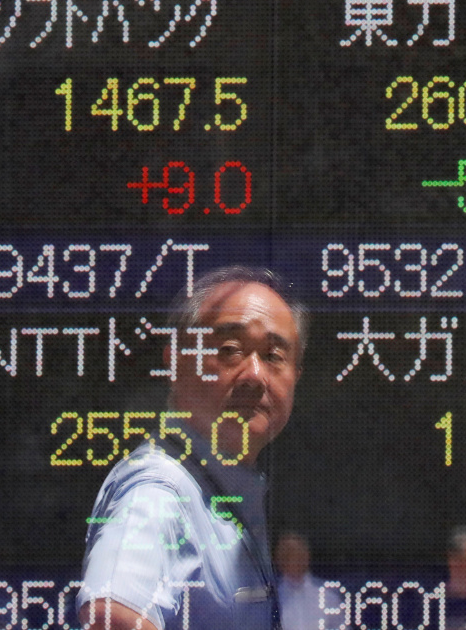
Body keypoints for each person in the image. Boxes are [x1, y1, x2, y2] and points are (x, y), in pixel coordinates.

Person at [78, 266, 308, 630]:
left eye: (273, 355)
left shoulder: (228, 489)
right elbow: (111, 618)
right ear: (175, 361)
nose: (254, 374)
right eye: (230, 349)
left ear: (296, 375)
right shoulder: (157, 491)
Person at [275, 531, 341, 630]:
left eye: (298, 554)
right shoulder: (272, 598)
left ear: (306, 556)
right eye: (288, 554)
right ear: (279, 559)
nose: (294, 559)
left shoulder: (328, 595)